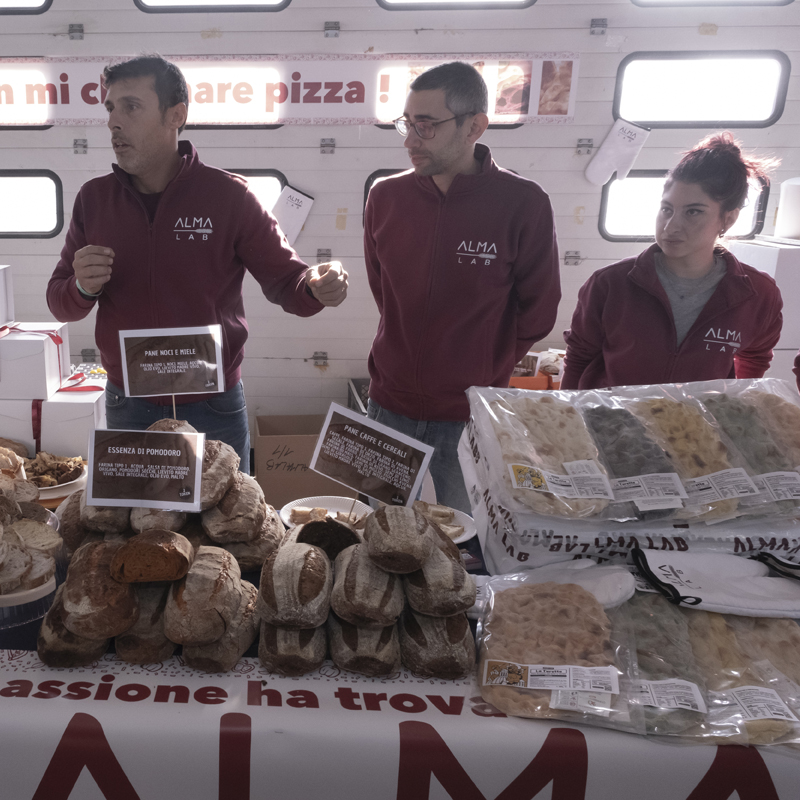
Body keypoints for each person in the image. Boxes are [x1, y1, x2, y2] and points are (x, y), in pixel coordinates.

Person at [46, 55, 348, 470]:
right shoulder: (94, 200)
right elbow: (59, 301)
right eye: (110, 108)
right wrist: (82, 287)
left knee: (227, 530)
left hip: (213, 406)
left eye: (131, 106)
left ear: (176, 115)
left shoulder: (229, 197)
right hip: (128, 404)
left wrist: (316, 285)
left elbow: (288, 282)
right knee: (138, 529)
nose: (114, 122)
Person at [363, 61, 561, 513]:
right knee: (379, 536)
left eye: (427, 126)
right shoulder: (385, 197)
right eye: (407, 124)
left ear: (475, 125)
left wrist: (481, 369)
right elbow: (385, 291)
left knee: (464, 546)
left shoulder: (523, 203)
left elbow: (539, 309)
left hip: (468, 415)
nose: (411, 140)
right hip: (388, 405)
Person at [562, 133, 782, 390]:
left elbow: (755, 357)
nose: (671, 226)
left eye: (693, 212)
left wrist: (737, 409)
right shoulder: (610, 284)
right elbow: (579, 358)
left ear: (728, 219)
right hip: (613, 422)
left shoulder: (757, 294)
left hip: (696, 426)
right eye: (667, 209)